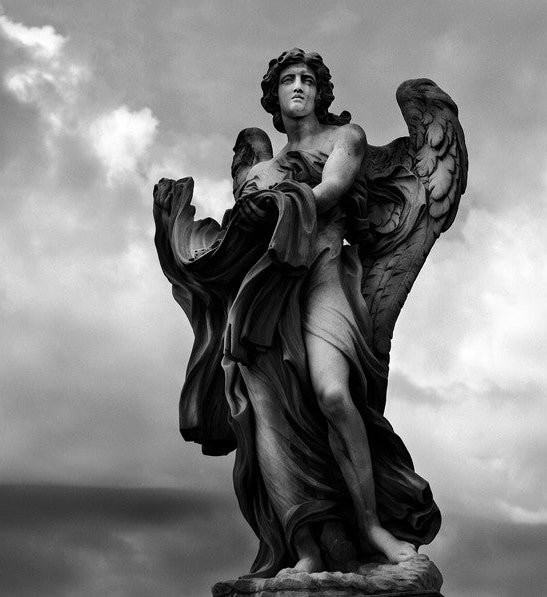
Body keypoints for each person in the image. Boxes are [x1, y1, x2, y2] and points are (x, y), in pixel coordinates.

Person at [153, 49, 440, 577]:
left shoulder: (344, 140)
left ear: (322, 92)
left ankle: (371, 525)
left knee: (334, 394)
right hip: (265, 292)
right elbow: (238, 238)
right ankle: (303, 543)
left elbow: (330, 192)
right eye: (289, 79)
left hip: (324, 274)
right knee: (268, 415)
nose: (300, 86)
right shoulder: (258, 168)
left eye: (309, 78)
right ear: (274, 95)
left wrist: (276, 202)